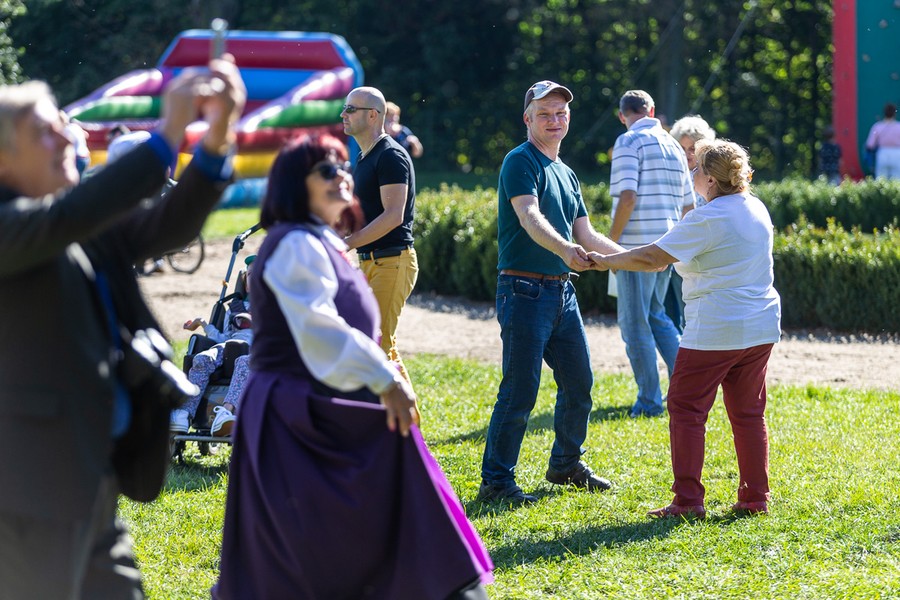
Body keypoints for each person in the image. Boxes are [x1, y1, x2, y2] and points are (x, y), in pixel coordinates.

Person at [0, 58, 245, 597]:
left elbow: (167, 225)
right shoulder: (22, 224)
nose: (69, 138)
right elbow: (63, 220)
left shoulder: (67, 220)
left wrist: (217, 136)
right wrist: (166, 134)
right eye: (44, 130)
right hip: (26, 493)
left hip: (90, 479)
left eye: (64, 124)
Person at [212, 134, 492, 599]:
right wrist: (385, 378)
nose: (341, 175)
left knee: (362, 521)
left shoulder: (320, 240)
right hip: (299, 414)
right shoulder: (295, 243)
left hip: (321, 402)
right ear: (292, 185)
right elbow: (318, 328)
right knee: (312, 548)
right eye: (326, 169)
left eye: (343, 166)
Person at [588, 139, 782, 519]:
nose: (691, 174)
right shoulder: (755, 206)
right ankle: (755, 497)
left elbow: (651, 258)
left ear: (710, 178)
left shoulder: (707, 218)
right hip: (761, 325)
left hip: (717, 327)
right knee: (748, 412)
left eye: (695, 170)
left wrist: (603, 261)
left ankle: (688, 501)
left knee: (686, 408)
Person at [478, 80, 624, 505]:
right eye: (545, 114)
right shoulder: (519, 162)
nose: (555, 120)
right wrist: (565, 250)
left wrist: (640, 259)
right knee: (520, 390)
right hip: (522, 290)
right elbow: (529, 215)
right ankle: (496, 482)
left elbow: (587, 234)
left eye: (561, 113)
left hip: (562, 294)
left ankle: (565, 464)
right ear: (528, 119)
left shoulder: (566, 171)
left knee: (580, 383)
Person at [609, 90, 692, 418]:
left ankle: (648, 401)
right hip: (666, 246)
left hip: (635, 248)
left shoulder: (628, 142)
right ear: (652, 110)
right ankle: (685, 391)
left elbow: (627, 197)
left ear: (622, 115)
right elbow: (688, 205)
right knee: (657, 315)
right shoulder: (673, 144)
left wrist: (611, 246)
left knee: (634, 324)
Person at [341, 87, 418, 385]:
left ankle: (409, 431)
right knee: (378, 344)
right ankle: (402, 428)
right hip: (371, 261)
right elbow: (366, 215)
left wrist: (345, 244)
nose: (343, 115)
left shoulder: (390, 156)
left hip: (392, 261)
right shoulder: (365, 158)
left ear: (373, 115)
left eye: (350, 109)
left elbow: (392, 216)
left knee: (379, 346)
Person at [170, 267, 253, 438]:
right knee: (202, 358)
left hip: (258, 348)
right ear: (245, 284)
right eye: (251, 275)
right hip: (230, 345)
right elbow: (223, 337)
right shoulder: (235, 308)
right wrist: (203, 323)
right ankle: (184, 414)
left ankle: (226, 413)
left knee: (244, 361)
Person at [665, 114, 717, 333]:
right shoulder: (671, 174)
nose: (687, 154)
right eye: (682, 148)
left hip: (700, 257)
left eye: (692, 149)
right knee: (670, 314)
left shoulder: (712, 179)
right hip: (672, 253)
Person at [864, 103, 900, 179]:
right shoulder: (898, 126)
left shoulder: (877, 126)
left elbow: (870, 145)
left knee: (881, 181)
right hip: (897, 153)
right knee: (897, 181)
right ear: (894, 113)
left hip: (882, 153)